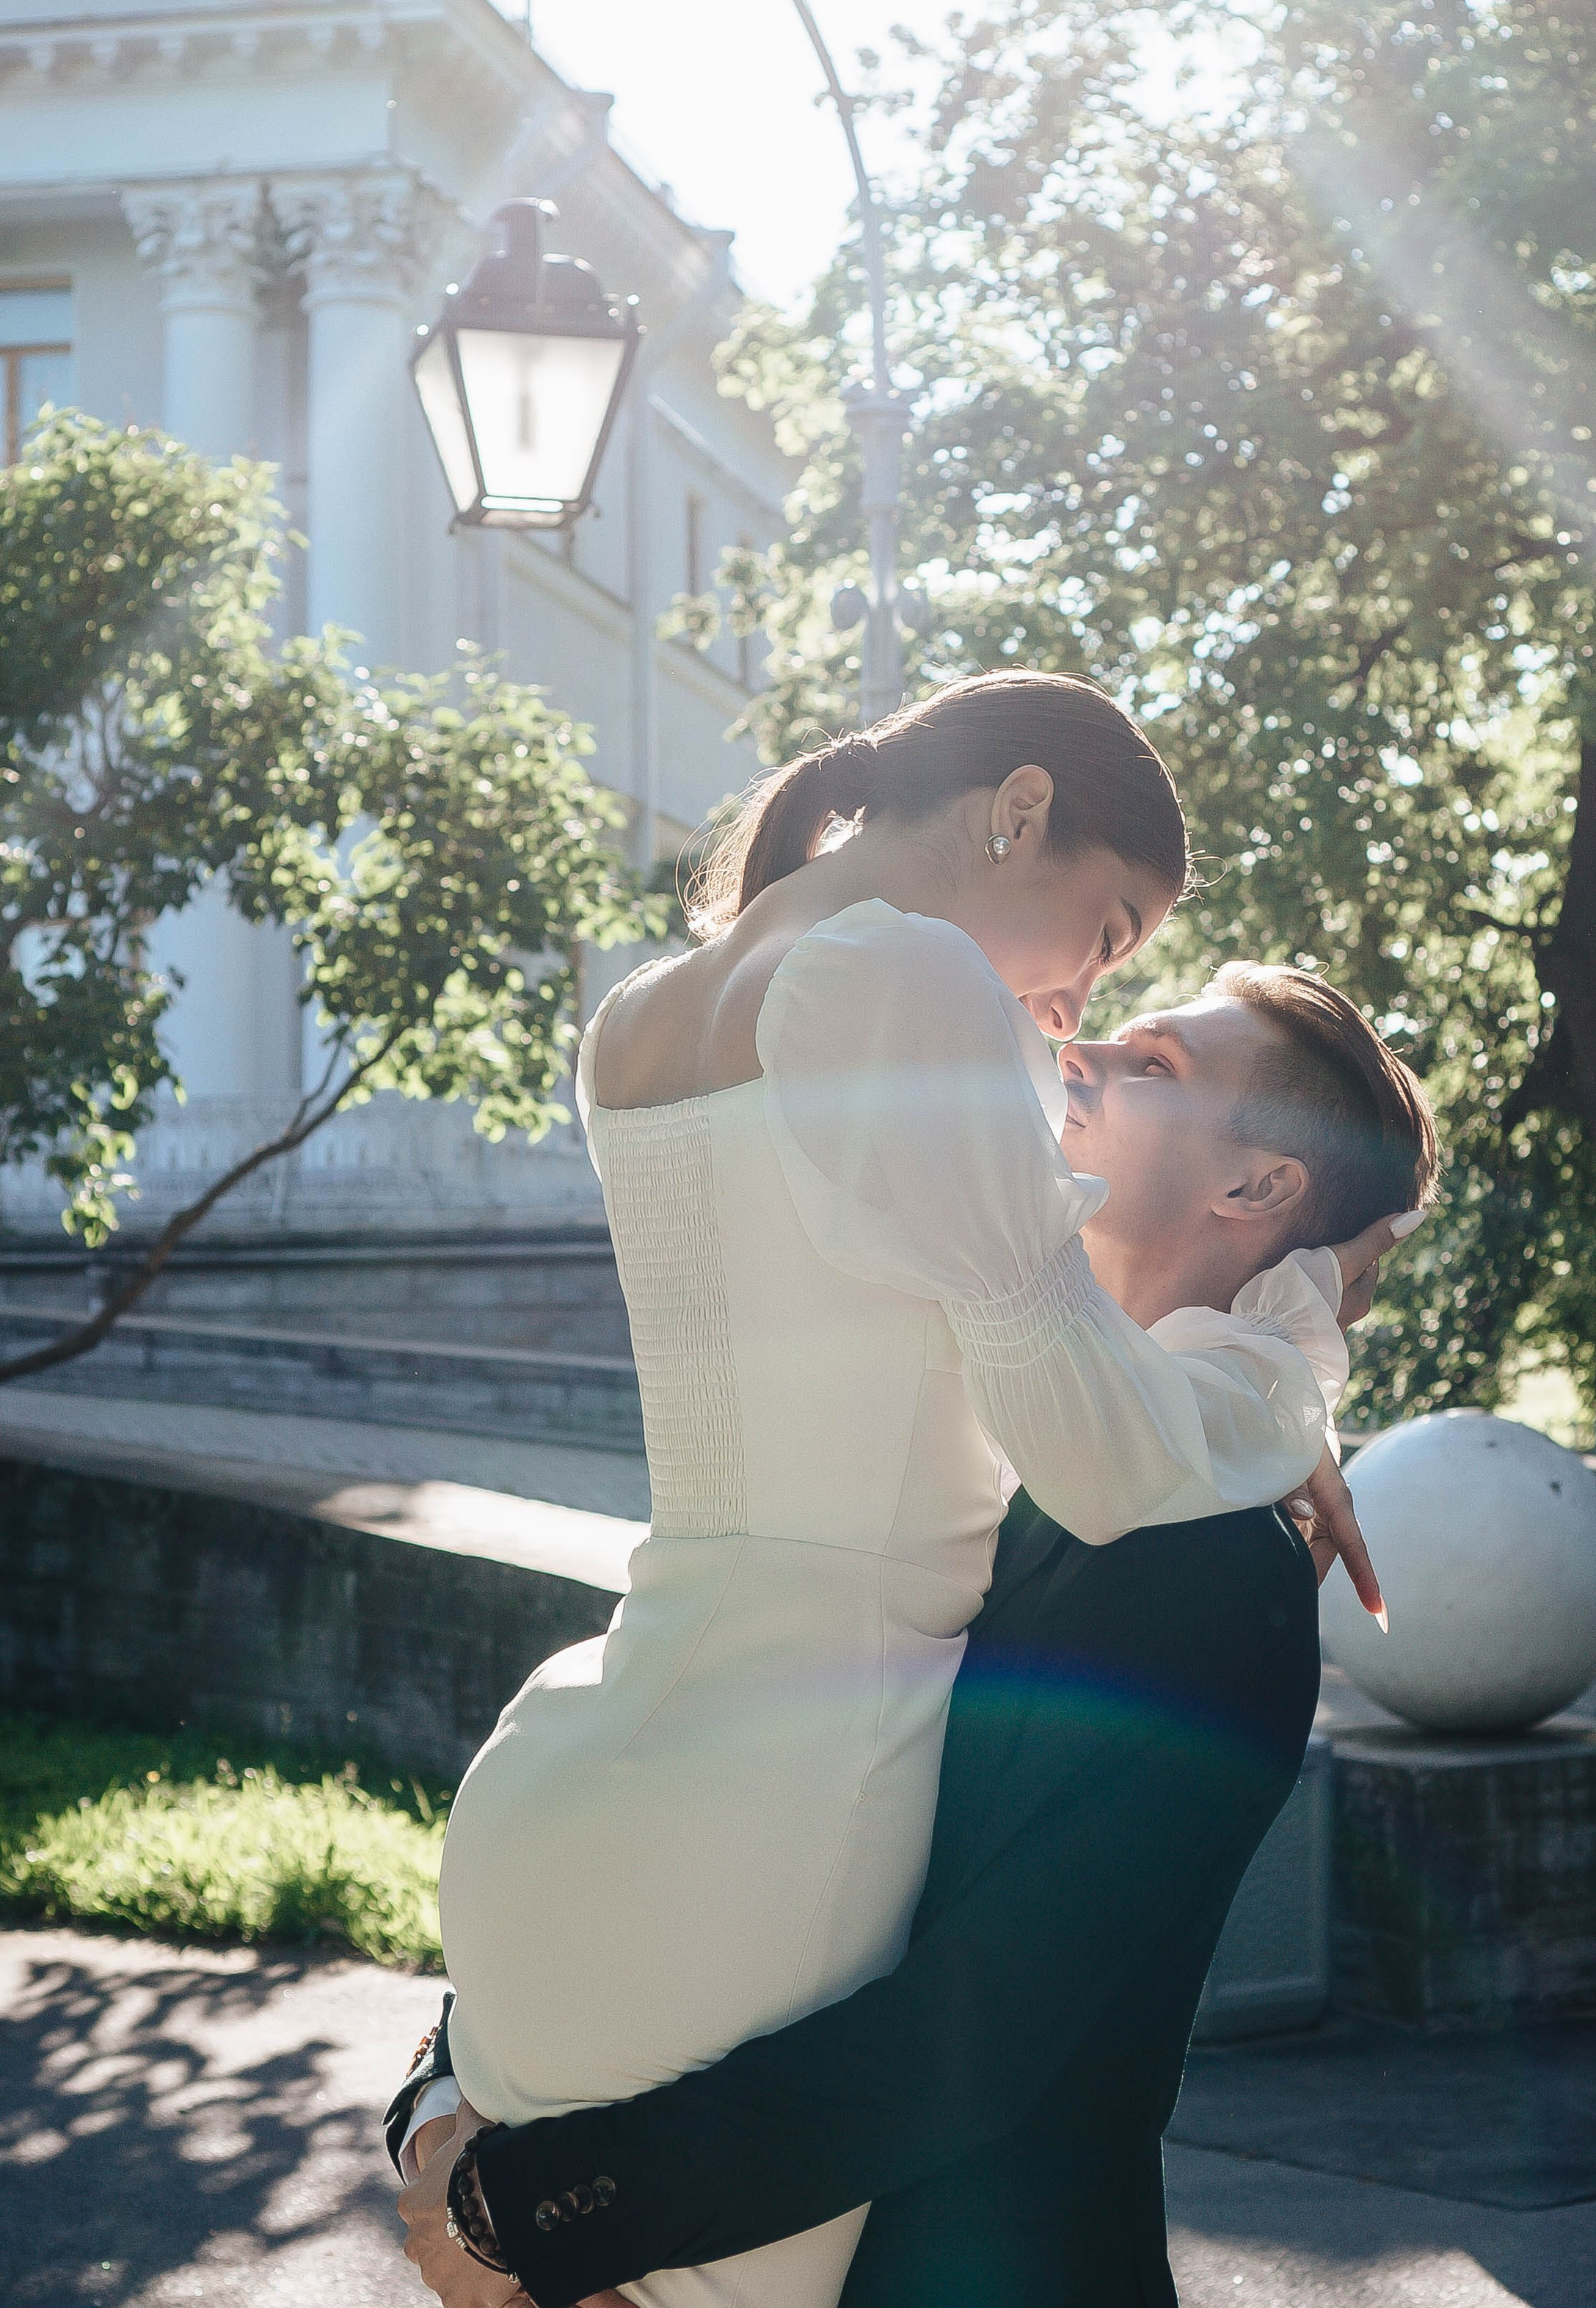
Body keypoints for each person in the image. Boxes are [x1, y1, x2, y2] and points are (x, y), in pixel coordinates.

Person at [399, 672, 1372, 2308]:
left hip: (587, 1764)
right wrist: (1285, 1366)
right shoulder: (908, 976)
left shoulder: (640, 1011)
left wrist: (478, 2169)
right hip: (789, 1802)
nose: (1075, 1006)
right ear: (1018, 812)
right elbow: (1100, 1448)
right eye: (1107, 935)